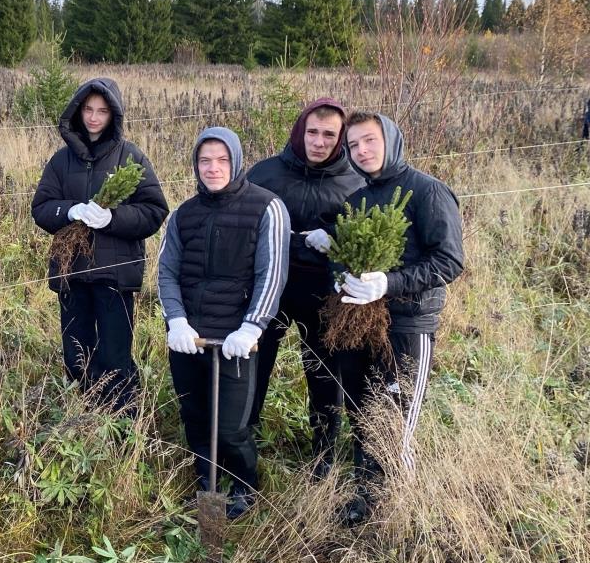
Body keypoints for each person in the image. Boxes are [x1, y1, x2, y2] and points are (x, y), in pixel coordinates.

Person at [325, 112, 464, 526]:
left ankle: (402, 510)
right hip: (359, 322)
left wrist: (389, 282)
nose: (361, 151)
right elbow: (341, 255)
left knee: (397, 419)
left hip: (407, 323)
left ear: (390, 140)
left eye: (369, 141)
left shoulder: (428, 192)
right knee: (363, 411)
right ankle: (364, 500)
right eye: (353, 146)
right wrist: (341, 281)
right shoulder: (357, 200)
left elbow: (448, 260)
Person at [158, 127, 289, 519]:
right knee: (195, 418)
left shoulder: (267, 207)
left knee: (232, 427)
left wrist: (252, 327)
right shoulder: (184, 214)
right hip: (191, 339)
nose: (213, 168)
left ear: (236, 160)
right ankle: (206, 481)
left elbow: (273, 274)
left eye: (222, 160)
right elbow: (166, 272)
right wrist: (176, 322)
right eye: (204, 160)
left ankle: (245, 485)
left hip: (236, 340)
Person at [31, 78, 167, 415]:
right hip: (71, 273)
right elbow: (41, 207)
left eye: (102, 111)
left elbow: (154, 211)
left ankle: (122, 421)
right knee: (76, 352)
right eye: (88, 109)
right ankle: (85, 416)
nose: (93, 117)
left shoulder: (131, 157)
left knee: (115, 355)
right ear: (77, 111)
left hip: (115, 277)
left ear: (113, 114)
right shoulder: (61, 161)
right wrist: (69, 211)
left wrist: (113, 218)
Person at [246, 98, 364, 474]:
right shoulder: (266, 174)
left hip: (325, 294)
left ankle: (323, 453)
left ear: (341, 138)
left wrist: (335, 240)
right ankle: (244, 437)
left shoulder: (356, 182)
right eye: (312, 132)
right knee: (254, 363)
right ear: (300, 131)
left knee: (325, 372)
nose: (319, 141)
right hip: (271, 290)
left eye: (329, 134)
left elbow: (367, 240)